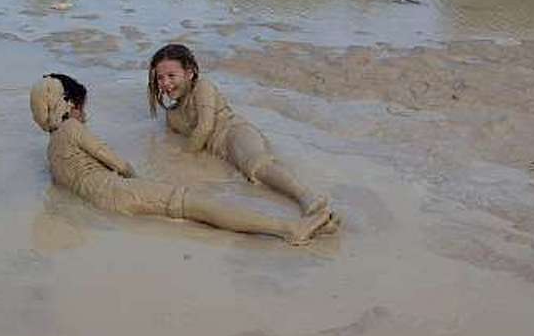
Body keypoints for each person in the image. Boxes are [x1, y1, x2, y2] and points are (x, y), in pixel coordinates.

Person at [31, 74, 333, 245]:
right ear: (67, 104)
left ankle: (296, 226)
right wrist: (137, 177)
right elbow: (115, 162)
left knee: (195, 214)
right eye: (82, 107)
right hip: (119, 191)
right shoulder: (72, 127)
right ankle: (287, 229)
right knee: (200, 205)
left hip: (103, 202)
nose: (85, 114)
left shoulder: (51, 150)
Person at [147, 43, 329, 217]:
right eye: (160, 78)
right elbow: (170, 143)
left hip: (234, 133)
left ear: (190, 73)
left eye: (171, 76)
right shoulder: (172, 115)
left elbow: (204, 128)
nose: (165, 83)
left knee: (257, 166)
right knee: (246, 188)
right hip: (220, 152)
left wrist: (184, 157)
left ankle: (306, 196)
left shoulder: (203, 87)